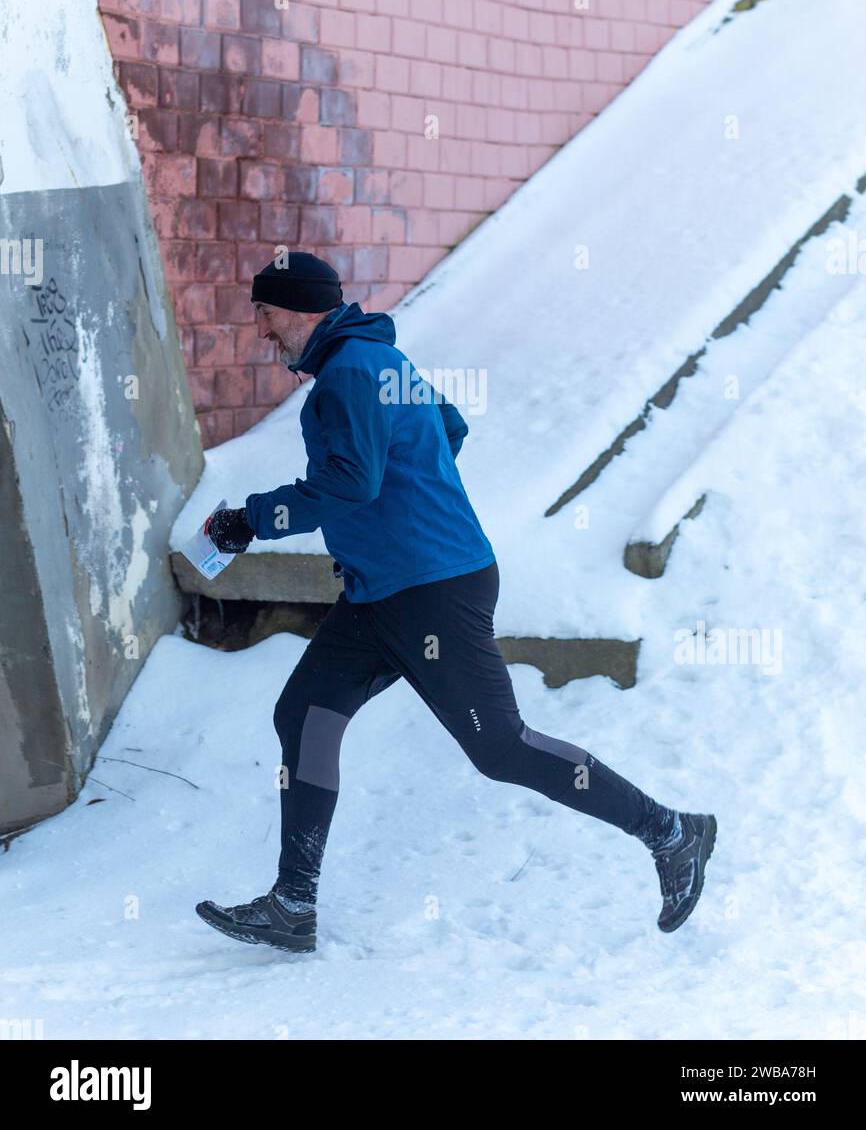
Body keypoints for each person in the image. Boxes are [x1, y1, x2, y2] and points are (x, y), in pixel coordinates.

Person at [195, 252, 717, 954]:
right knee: (306, 713)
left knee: (499, 746)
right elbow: (450, 428)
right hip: (384, 591)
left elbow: (350, 484)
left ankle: (672, 832)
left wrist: (250, 520)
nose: (259, 328)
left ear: (302, 310)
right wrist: (411, 492)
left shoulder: (349, 372)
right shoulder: (377, 361)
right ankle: (293, 904)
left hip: (430, 592)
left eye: (265, 312)